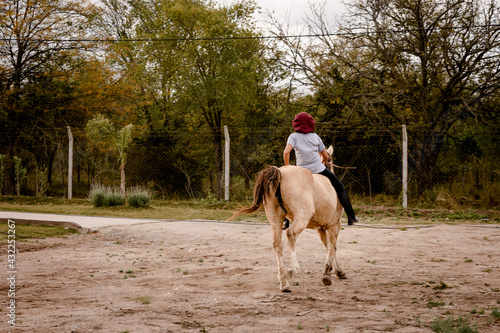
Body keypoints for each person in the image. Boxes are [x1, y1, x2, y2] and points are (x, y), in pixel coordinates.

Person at [282, 112, 359, 228]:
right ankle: (351, 217)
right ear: (311, 124)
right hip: (318, 169)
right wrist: (323, 162)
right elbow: (326, 156)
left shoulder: (293, 137)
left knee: (286, 192)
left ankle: (285, 221)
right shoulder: (315, 137)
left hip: (301, 172)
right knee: (339, 186)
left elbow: (286, 152)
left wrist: (287, 167)